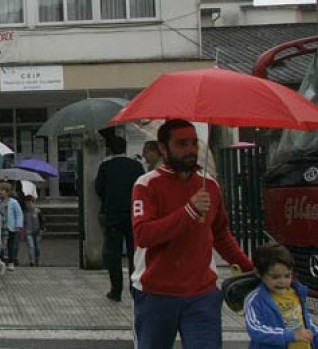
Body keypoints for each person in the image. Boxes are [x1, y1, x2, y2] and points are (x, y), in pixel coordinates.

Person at [130, 119, 254, 349]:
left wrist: (249, 268)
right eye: (182, 144)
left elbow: (221, 235)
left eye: (194, 143)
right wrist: (189, 210)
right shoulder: (146, 185)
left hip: (202, 294)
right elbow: (144, 234)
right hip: (156, 293)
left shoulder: (210, 186)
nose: (191, 150)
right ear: (163, 148)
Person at [245, 244, 318, 349]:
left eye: (287, 276)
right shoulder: (255, 300)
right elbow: (256, 330)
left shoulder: (295, 293)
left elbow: (304, 321)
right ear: (259, 273)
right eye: (275, 277)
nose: (282, 281)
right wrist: (289, 335)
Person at [95, 136, 145, 302]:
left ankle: (115, 290)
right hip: (133, 213)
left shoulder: (106, 166)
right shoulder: (136, 166)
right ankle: (134, 287)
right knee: (134, 252)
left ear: (110, 149)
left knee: (113, 252)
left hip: (112, 214)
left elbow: (98, 188)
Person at [0, 182, 23, 271]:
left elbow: (19, 214)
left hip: (10, 226)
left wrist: (18, 225)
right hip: (0, 226)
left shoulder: (13, 202)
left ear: (7, 192)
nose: (0, 192)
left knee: (10, 245)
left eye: (2, 190)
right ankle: (1, 262)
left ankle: (11, 262)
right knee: (0, 245)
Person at [23, 195, 45, 267]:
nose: (28, 205)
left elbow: (42, 221)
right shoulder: (25, 212)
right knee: (31, 246)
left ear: (33, 202)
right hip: (28, 231)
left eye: (29, 203)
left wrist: (42, 228)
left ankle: (37, 258)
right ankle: (31, 260)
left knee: (37, 246)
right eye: (27, 203)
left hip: (37, 231)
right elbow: (24, 222)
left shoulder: (38, 211)